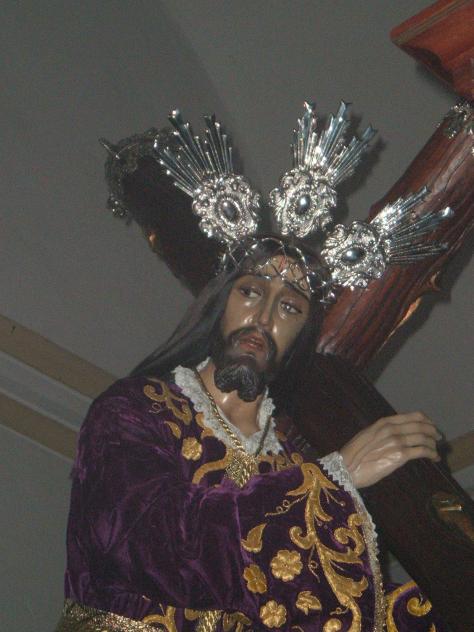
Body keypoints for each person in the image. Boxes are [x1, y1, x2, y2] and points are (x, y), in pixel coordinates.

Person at [56, 236, 446, 632]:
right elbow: (147, 545)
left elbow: (336, 611)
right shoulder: (136, 408)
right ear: (221, 302)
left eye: (289, 307)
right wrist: (335, 477)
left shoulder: (291, 465)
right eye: (251, 291)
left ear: (302, 336)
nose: (263, 316)